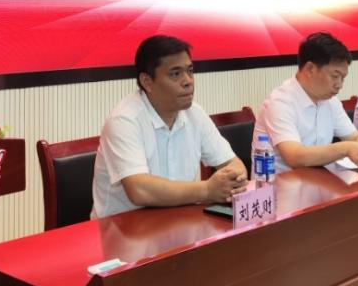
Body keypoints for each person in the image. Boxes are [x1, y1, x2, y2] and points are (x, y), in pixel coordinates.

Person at [91, 35, 247, 218]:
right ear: (147, 81)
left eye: (190, 71)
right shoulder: (124, 120)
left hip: (180, 220)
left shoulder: (195, 113)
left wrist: (232, 180)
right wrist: (207, 189)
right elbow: (139, 190)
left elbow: (233, 163)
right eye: (176, 74)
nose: (188, 81)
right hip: (123, 227)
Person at [255, 32, 358, 173]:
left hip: (317, 182)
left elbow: (354, 139)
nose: (339, 84)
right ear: (310, 69)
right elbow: (295, 156)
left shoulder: (330, 101)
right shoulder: (280, 102)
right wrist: (344, 149)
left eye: (343, 78)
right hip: (279, 190)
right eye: (335, 76)